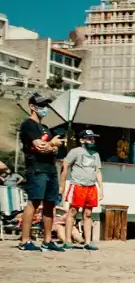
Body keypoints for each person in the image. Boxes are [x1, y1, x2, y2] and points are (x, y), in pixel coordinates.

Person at [18, 94, 65, 252]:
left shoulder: (46, 128)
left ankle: (47, 241)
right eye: (41, 105)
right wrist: (51, 144)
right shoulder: (28, 124)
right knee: (34, 202)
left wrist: (50, 146)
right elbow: (40, 146)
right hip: (36, 168)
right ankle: (25, 241)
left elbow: (53, 149)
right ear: (32, 106)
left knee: (50, 204)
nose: (44, 108)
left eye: (46, 105)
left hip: (50, 169)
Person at [59, 129, 103, 250]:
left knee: (88, 214)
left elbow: (98, 171)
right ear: (82, 140)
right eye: (89, 138)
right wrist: (62, 183)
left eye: (93, 138)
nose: (92, 140)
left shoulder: (95, 154)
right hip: (78, 185)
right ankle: (68, 241)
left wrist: (101, 188)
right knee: (73, 211)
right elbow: (65, 165)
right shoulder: (75, 152)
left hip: (91, 187)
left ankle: (88, 242)